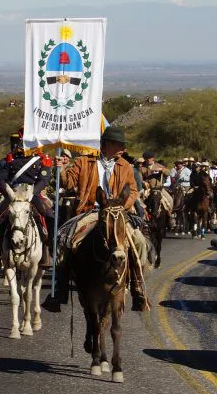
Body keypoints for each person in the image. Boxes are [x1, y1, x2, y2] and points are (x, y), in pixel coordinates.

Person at [43, 126, 150, 312]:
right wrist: (60, 168)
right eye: (119, 144)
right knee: (65, 240)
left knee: (139, 241)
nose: (122, 147)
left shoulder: (125, 166)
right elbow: (68, 183)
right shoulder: (83, 162)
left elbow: (133, 191)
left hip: (116, 212)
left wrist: (121, 206)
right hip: (89, 210)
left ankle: (137, 288)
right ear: (107, 144)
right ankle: (59, 289)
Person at [0, 131, 54, 269]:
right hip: (14, 194)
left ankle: (50, 250)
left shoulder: (41, 159)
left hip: (32, 194)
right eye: (22, 142)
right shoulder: (9, 160)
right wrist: (9, 193)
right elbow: (1, 179)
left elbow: (44, 179)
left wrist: (33, 193)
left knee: (48, 215)